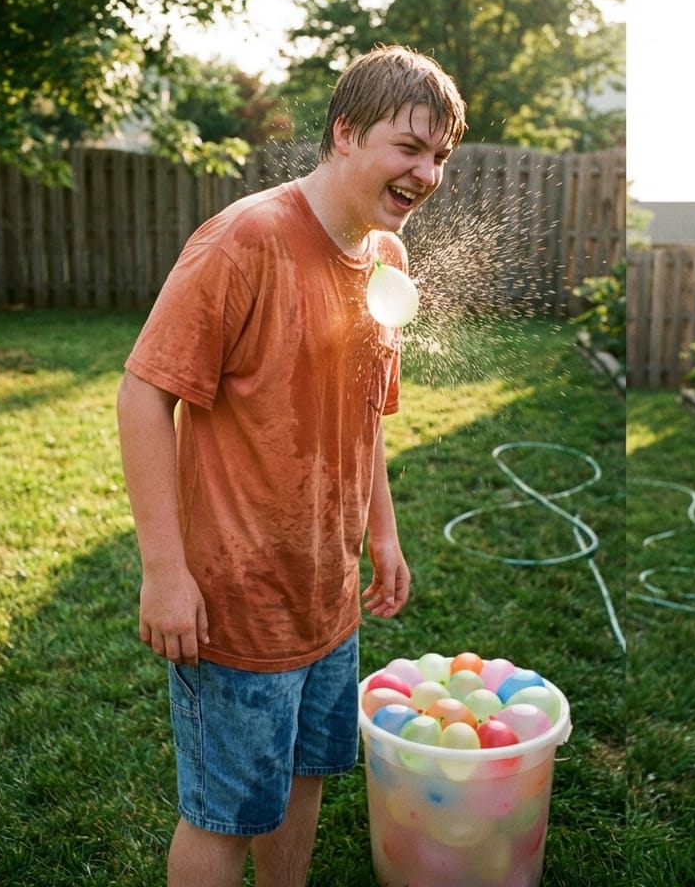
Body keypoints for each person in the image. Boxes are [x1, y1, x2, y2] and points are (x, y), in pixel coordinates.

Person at [116, 44, 466, 887]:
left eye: (441, 156)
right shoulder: (245, 240)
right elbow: (140, 396)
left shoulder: (388, 260)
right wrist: (165, 574)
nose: (427, 173)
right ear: (346, 133)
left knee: (307, 780)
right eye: (410, 147)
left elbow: (365, 411)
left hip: (327, 598)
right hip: (234, 608)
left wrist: (383, 533)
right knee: (225, 815)